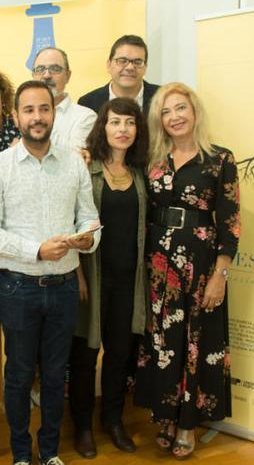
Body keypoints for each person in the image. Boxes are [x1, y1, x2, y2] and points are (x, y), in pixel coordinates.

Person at [0, 80, 101, 465]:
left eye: (43, 109)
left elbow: (90, 216)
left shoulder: (73, 163)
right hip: (17, 288)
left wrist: (87, 240)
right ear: (16, 117)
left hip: (63, 286)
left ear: (53, 114)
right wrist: (36, 250)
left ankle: (48, 453)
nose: (37, 117)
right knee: (18, 375)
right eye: (28, 110)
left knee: (55, 374)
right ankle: (20, 455)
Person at [134, 82, 240, 459]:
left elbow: (230, 222)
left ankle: (187, 423)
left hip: (199, 265)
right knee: (163, 340)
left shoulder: (220, 159)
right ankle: (165, 414)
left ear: (195, 112)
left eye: (180, 108)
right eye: (165, 111)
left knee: (194, 342)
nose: (174, 117)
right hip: (157, 263)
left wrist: (220, 274)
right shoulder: (152, 160)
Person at [68, 98, 149, 458]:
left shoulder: (143, 173)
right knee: (85, 357)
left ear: (137, 130)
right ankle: (83, 427)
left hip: (128, 281)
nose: (122, 129)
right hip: (92, 278)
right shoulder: (85, 169)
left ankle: (113, 421)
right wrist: (78, 276)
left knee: (119, 353)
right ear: (103, 127)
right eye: (115, 122)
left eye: (129, 123)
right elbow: (69, 224)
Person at [31, 47, 97, 152]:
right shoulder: (21, 116)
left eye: (55, 69)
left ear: (67, 75)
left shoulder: (86, 117)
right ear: (33, 75)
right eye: (40, 69)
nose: (47, 75)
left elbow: (75, 158)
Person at [77, 35, 161, 115]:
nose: (130, 67)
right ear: (109, 65)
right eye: (122, 61)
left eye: (137, 62)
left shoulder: (162, 97)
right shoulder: (88, 103)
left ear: (145, 67)